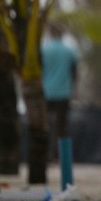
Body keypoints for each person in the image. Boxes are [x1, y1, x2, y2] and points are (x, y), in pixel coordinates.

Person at [41, 24, 79, 162]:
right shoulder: (69, 51)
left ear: (50, 34)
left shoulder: (43, 50)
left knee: (43, 124)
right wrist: (73, 89)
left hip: (45, 92)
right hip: (64, 93)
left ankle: (43, 156)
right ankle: (58, 157)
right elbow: (74, 72)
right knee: (61, 126)